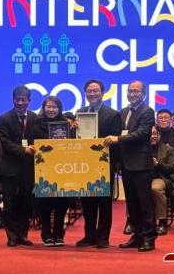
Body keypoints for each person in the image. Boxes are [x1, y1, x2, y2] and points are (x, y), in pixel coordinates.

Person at [104, 80, 157, 252]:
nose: (132, 94)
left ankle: (149, 237)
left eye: (136, 91)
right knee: (132, 204)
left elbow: (141, 134)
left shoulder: (147, 111)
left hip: (141, 164)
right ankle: (137, 235)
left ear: (143, 94)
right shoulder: (124, 111)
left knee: (145, 203)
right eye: (130, 91)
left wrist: (118, 139)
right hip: (126, 164)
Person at [75, 79, 121, 248]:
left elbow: (116, 141)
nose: (92, 93)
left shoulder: (113, 114)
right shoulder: (80, 113)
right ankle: (89, 236)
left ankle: (103, 237)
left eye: (95, 90)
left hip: (103, 164)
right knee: (87, 202)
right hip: (85, 164)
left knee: (104, 203)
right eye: (89, 91)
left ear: (103, 92)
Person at [0, 85, 38, 247]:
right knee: (10, 203)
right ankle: (12, 235)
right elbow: (4, 142)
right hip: (10, 167)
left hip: (28, 168)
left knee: (25, 202)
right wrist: (23, 150)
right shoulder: (4, 118)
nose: (20, 103)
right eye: (17, 100)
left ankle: (23, 234)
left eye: (23, 100)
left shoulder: (35, 118)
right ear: (13, 100)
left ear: (29, 101)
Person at [32, 96, 75, 246]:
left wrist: (74, 130)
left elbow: (74, 147)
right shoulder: (35, 125)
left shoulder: (67, 125)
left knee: (62, 203)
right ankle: (46, 233)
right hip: (44, 170)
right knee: (44, 202)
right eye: (48, 107)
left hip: (63, 170)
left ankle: (59, 233)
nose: (51, 110)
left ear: (59, 109)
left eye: (54, 107)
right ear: (43, 108)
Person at [150, 125, 174, 235]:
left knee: (155, 188)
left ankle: (162, 221)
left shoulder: (167, 149)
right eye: (150, 134)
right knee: (132, 187)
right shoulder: (140, 148)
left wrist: (158, 164)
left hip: (159, 177)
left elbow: (172, 168)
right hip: (143, 177)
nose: (152, 136)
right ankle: (131, 220)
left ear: (159, 135)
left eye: (155, 134)